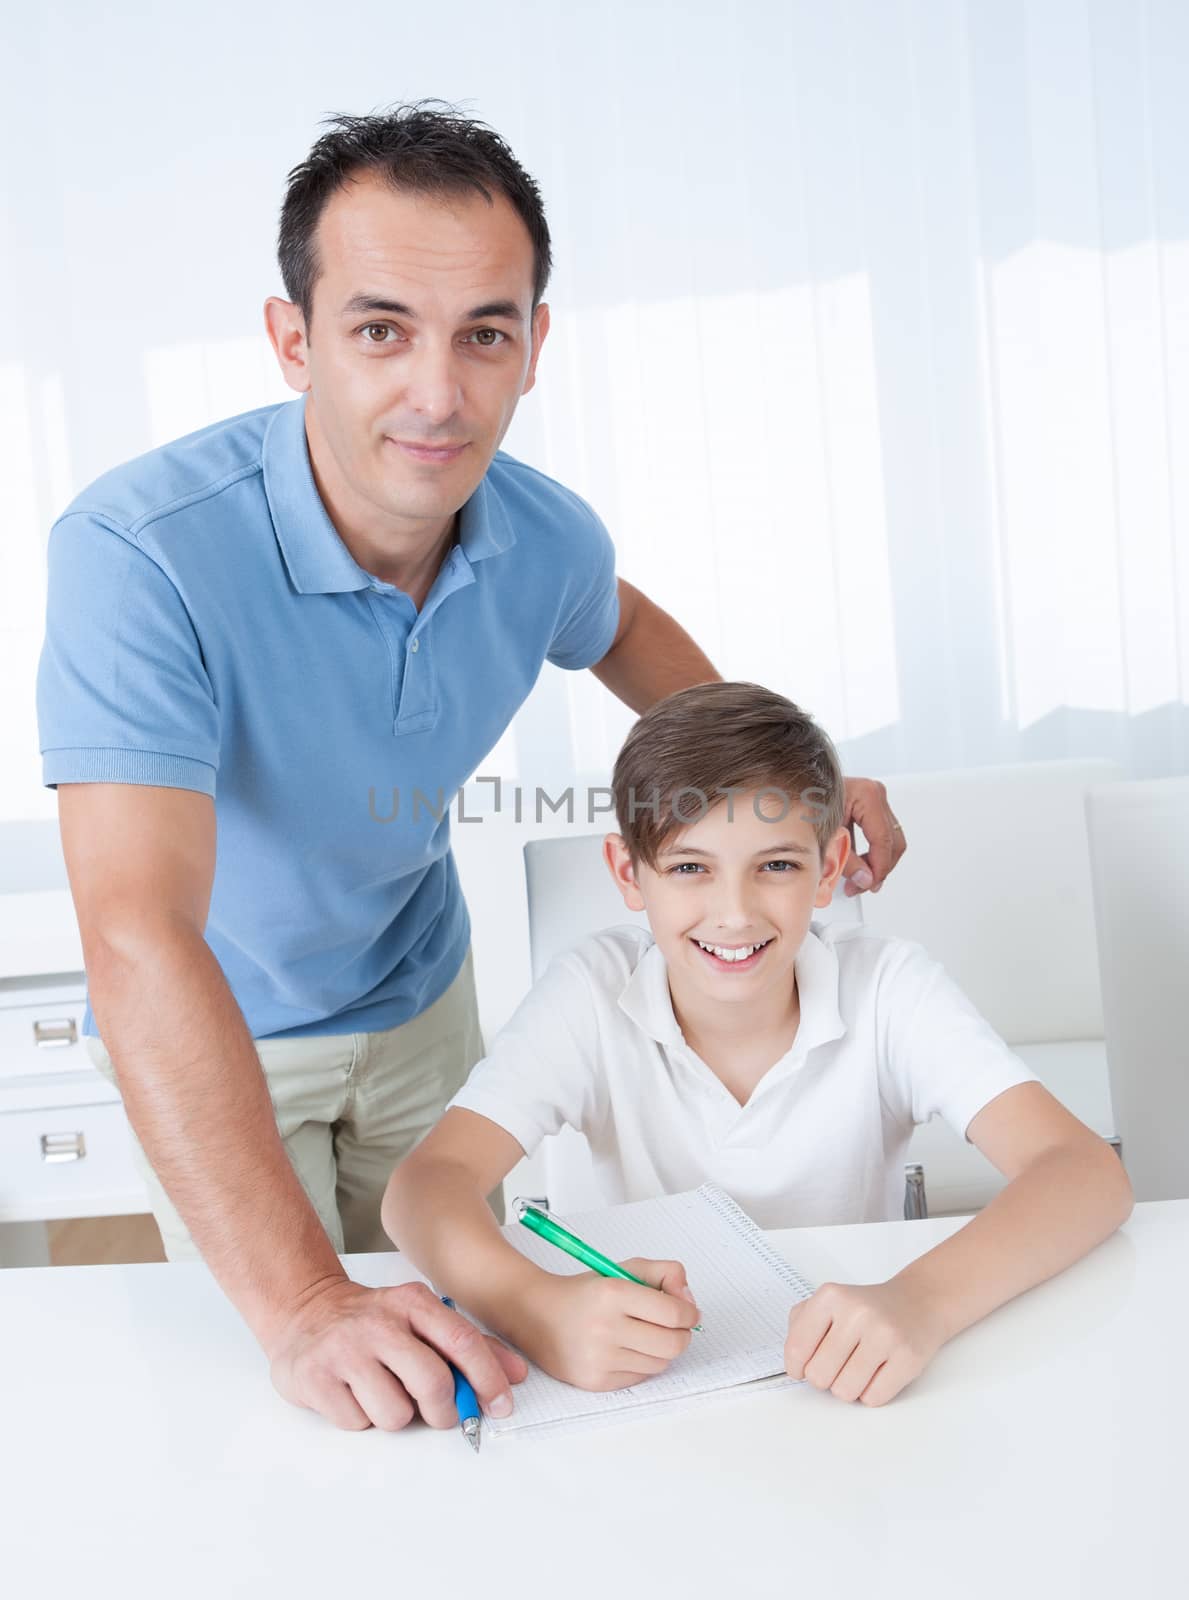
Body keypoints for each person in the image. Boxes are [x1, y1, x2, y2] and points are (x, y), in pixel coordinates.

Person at [36, 103, 905, 1434]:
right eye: (380, 328)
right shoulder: (138, 553)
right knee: (308, 1391)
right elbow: (137, 935)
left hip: (420, 997)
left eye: (483, 332)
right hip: (223, 1027)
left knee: (466, 1365)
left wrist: (794, 787)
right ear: (293, 340)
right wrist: (301, 1302)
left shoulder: (540, 535)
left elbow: (619, 627)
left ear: (533, 346)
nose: (437, 394)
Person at [383, 681, 1133, 1406]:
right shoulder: (588, 992)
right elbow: (425, 1187)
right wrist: (533, 1307)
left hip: (839, 1389)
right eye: (688, 868)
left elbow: (1082, 1173)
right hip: (652, 1392)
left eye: (775, 865)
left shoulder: (889, 989)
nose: (734, 914)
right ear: (627, 873)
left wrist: (920, 1303)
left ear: (829, 868)